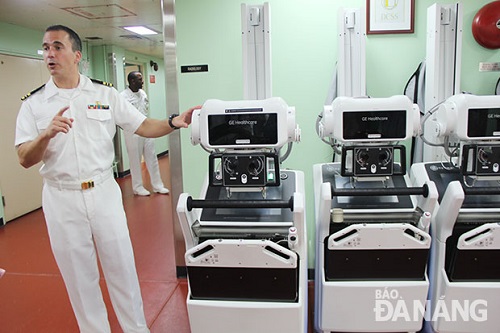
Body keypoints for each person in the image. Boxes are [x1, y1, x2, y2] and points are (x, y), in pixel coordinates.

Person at [15, 25, 200, 333]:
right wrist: (46, 134)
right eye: (46, 47)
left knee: (122, 269)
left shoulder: (104, 93)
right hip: (62, 198)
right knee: (79, 278)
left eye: (57, 47)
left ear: (76, 55)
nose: (50, 53)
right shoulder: (33, 105)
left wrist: (175, 122)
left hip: (102, 191)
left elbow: (142, 125)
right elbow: (24, 157)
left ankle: (136, 328)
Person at [121, 71, 169, 196]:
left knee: (152, 157)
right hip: (133, 133)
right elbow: (121, 117)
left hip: (146, 129)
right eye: (140, 79)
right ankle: (137, 187)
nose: (142, 81)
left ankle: (158, 186)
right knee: (135, 160)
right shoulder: (123, 97)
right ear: (132, 81)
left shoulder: (143, 93)